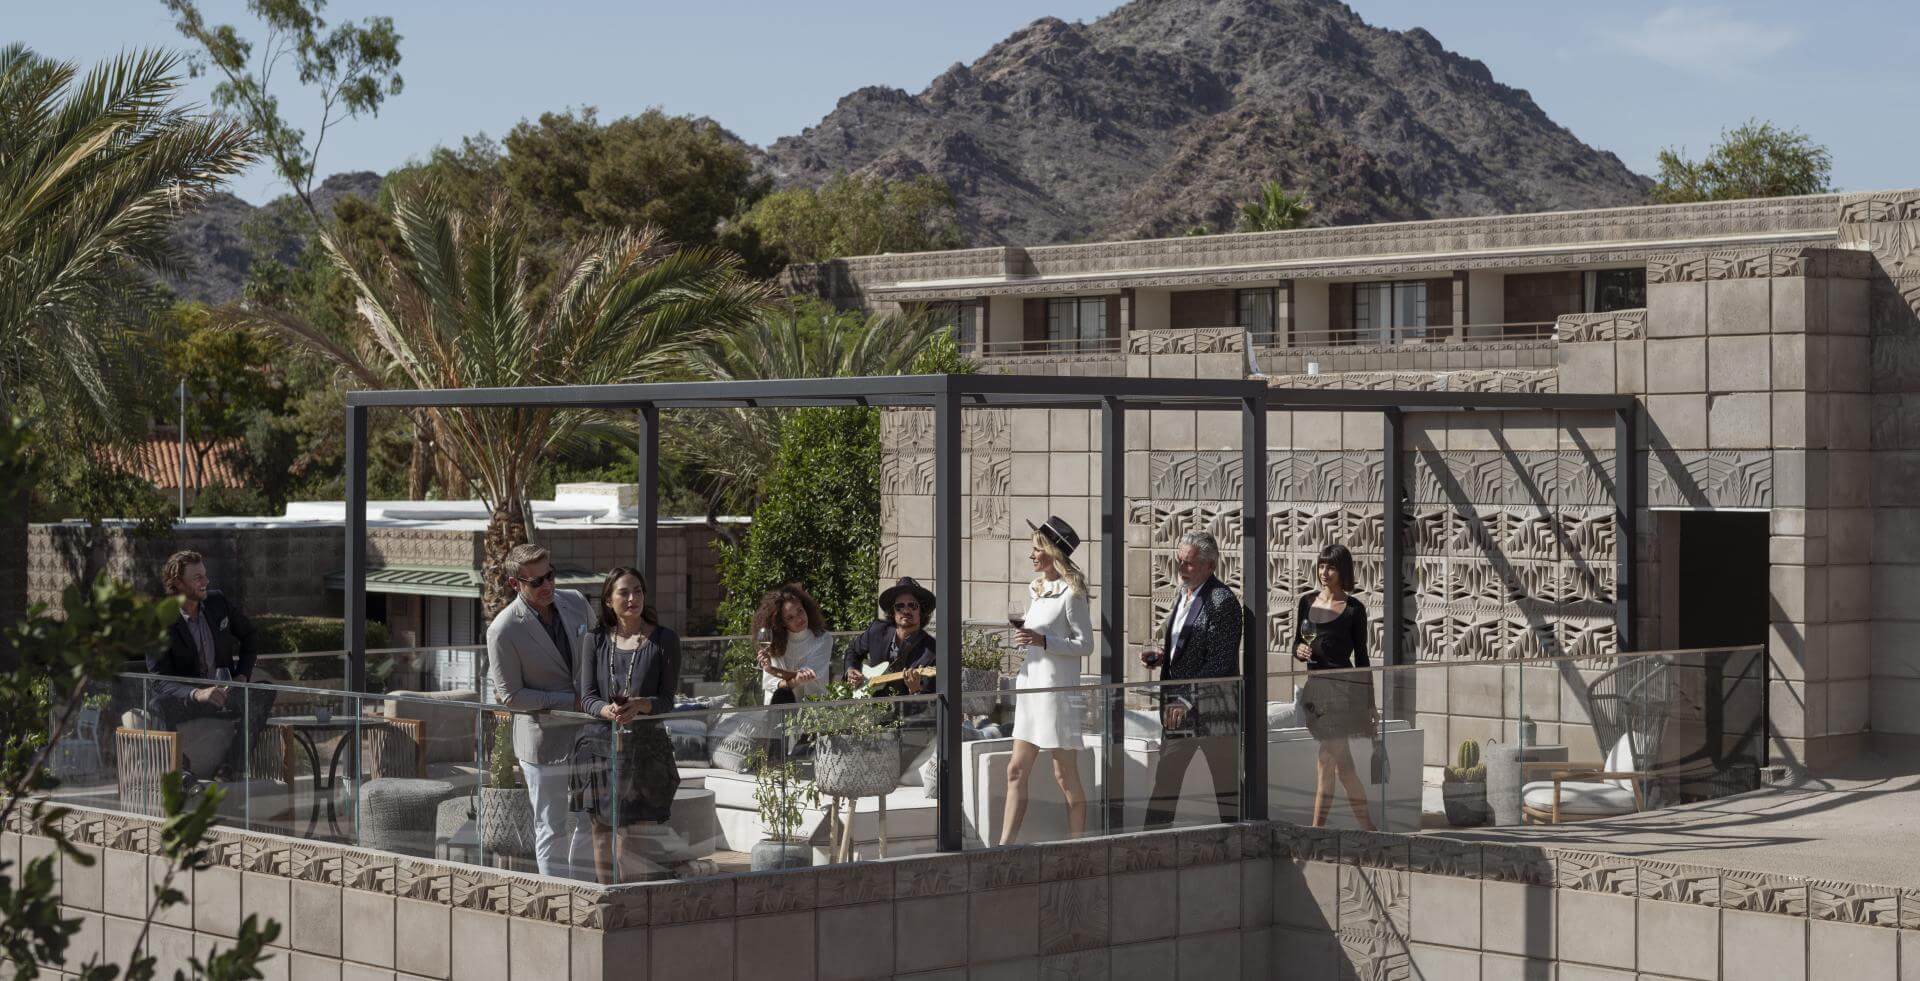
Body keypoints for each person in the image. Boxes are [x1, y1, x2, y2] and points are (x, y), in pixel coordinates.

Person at [574, 567, 712, 882]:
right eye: (624, 592)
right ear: (609, 600)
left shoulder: (664, 640)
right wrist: (607, 710)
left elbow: (667, 700)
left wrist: (642, 705)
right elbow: (587, 698)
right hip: (599, 748)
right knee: (603, 833)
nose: (632, 598)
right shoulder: (594, 641)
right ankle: (607, 903)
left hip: (646, 751)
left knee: (632, 843)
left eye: (638, 590)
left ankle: (634, 908)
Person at [486, 543, 593, 879]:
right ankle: (558, 903)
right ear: (515, 583)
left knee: (593, 819)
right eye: (536, 581)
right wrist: (568, 700)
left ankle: (584, 892)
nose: (547, 585)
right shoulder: (503, 629)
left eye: (550, 575)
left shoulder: (575, 602)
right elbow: (510, 696)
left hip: (589, 734)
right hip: (543, 742)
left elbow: (598, 651)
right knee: (552, 827)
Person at [1140, 530, 1243, 830]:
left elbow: (1220, 661)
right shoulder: (1182, 594)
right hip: (1178, 712)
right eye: (1179, 561)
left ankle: (1240, 844)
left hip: (1212, 711)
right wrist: (1164, 657)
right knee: (1165, 783)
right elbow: (1188, 649)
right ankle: (1150, 846)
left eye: (1189, 563)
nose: (1181, 569)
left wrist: (1186, 699)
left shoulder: (1222, 601)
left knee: (1226, 788)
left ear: (1210, 566)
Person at [1000, 517, 1092, 844]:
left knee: (1064, 776)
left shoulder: (1072, 594)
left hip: (1056, 697)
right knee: (1015, 771)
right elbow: (1036, 634)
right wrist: (1030, 642)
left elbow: (1086, 645)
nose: (1032, 555)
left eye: (1037, 549)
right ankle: (1003, 848)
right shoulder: (1036, 589)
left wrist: (1044, 642)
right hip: (1031, 691)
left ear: (1053, 553)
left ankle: (1076, 845)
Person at [145, 550, 272, 782]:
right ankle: (181, 774)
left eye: (205, 575)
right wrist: (197, 693)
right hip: (191, 700)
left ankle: (231, 767)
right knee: (157, 705)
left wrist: (242, 676)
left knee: (264, 691)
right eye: (197, 578)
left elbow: (250, 635)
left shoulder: (217, 602)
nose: (206, 581)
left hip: (227, 693)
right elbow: (158, 680)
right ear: (177, 584)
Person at [1294, 543, 1379, 831]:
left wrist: (1370, 702)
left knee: (1325, 761)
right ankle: (1370, 830)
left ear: (1343, 571)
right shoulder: (1306, 602)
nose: (1324, 572)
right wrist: (1299, 651)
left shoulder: (1355, 609)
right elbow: (1298, 641)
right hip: (1316, 693)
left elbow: (1363, 657)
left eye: (1330, 566)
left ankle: (1317, 832)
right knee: (1345, 769)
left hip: (1343, 693)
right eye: (1320, 565)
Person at [845, 577, 937, 700]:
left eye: (912, 605)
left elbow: (931, 702)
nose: (905, 610)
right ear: (893, 612)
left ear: (921, 611)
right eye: (899, 606)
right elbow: (853, 650)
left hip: (906, 716)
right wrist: (851, 670)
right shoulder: (877, 631)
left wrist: (915, 690)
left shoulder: (932, 652)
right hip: (870, 710)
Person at [754, 584, 831, 705]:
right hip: (779, 711)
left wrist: (772, 670)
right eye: (790, 617)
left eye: (800, 610)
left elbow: (808, 675)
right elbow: (773, 684)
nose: (799, 619)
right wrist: (793, 681)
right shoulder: (774, 640)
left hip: (814, 710)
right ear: (782, 622)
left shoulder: (822, 638)